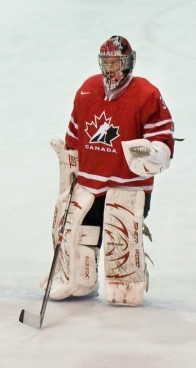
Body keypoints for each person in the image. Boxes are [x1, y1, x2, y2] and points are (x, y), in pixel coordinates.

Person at [46, 35, 173, 306]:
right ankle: (81, 280)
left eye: (117, 63)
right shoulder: (87, 90)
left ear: (129, 62)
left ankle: (126, 283)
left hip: (126, 187)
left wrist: (154, 154)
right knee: (79, 237)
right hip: (89, 184)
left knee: (120, 241)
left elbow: (163, 142)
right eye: (107, 62)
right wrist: (68, 166)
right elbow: (74, 138)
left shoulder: (146, 94)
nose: (111, 69)